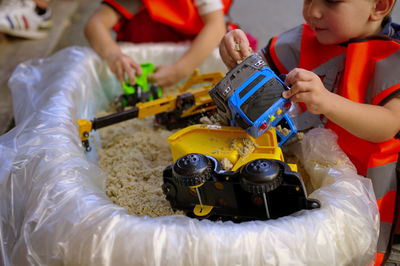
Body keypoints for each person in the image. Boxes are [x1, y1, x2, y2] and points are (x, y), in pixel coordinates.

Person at [220, 0, 399, 264]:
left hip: (366, 186)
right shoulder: (299, 40)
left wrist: (327, 101)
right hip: (298, 175)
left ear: (380, 6)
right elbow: (259, 82)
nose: (312, 11)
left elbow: (389, 124)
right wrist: (238, 59)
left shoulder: (392, 57)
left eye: (331, 1)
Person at [84, 0, 231, 88]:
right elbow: (96, 23)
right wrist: (114, 55)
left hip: (191, 59)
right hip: (141, 62)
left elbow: (216, 26)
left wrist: (178, 71)